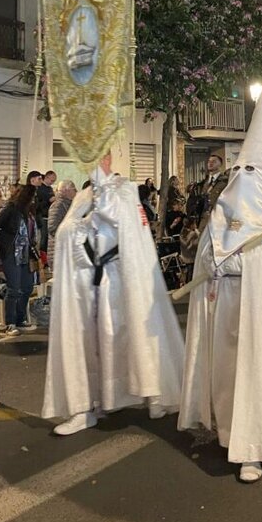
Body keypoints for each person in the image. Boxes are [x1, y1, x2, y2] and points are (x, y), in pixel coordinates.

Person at [179, 81, 262, 483]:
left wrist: (248, 259)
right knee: (228, 374)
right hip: (223, 304)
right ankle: (231, 435)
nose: (243, 176)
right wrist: (210, 264)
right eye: (239, 170)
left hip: (253, 308)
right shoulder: (220, 208)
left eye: (251, 170)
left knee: (253, 372)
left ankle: (254, 449)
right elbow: (207, 250)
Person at [43, 152, 185, 434]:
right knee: (88, 342)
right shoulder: (84, 195)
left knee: (129, 337)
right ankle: (88, 404)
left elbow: (132, 234)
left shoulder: (123, 191)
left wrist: (105, 213)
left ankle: (152, 392)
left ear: (108, 157)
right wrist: (78, 231)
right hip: (86, 281)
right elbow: (64, 231)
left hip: (120, 279)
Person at [0, 184, 38, 335]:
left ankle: (20, 318)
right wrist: (1, 247)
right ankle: (10, 322)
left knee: (27, 287)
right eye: (32, 196)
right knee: (14, 288)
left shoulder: (29, 211)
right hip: (11, 253)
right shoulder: (11, 209)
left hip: (26, 254)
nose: (34, 199)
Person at [47, 180, 77, 272]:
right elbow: (53, 228)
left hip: (66, 250)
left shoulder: (69, 205)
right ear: (66, 190)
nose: (76, 192)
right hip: (59, 251)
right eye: (74, 189)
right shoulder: (58, 206)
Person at [196, 155, 229, 234]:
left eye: (214, 161)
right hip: (204, 218)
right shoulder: (204, 182)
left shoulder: (225, 181)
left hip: (218, 218)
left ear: (220, 164)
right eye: (209, 162)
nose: (210, 163)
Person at [35, 170, 57, 261]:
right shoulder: (41, 189)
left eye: (54, 181)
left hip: (49, 215)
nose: (52, 183)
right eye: (51, 180)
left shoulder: (49, 189)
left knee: (48, 238)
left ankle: (46, 258)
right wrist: (59, 195)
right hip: (42, 216)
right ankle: (43, 259)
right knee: (43, 239)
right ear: (47, 177)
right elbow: (51, 199)